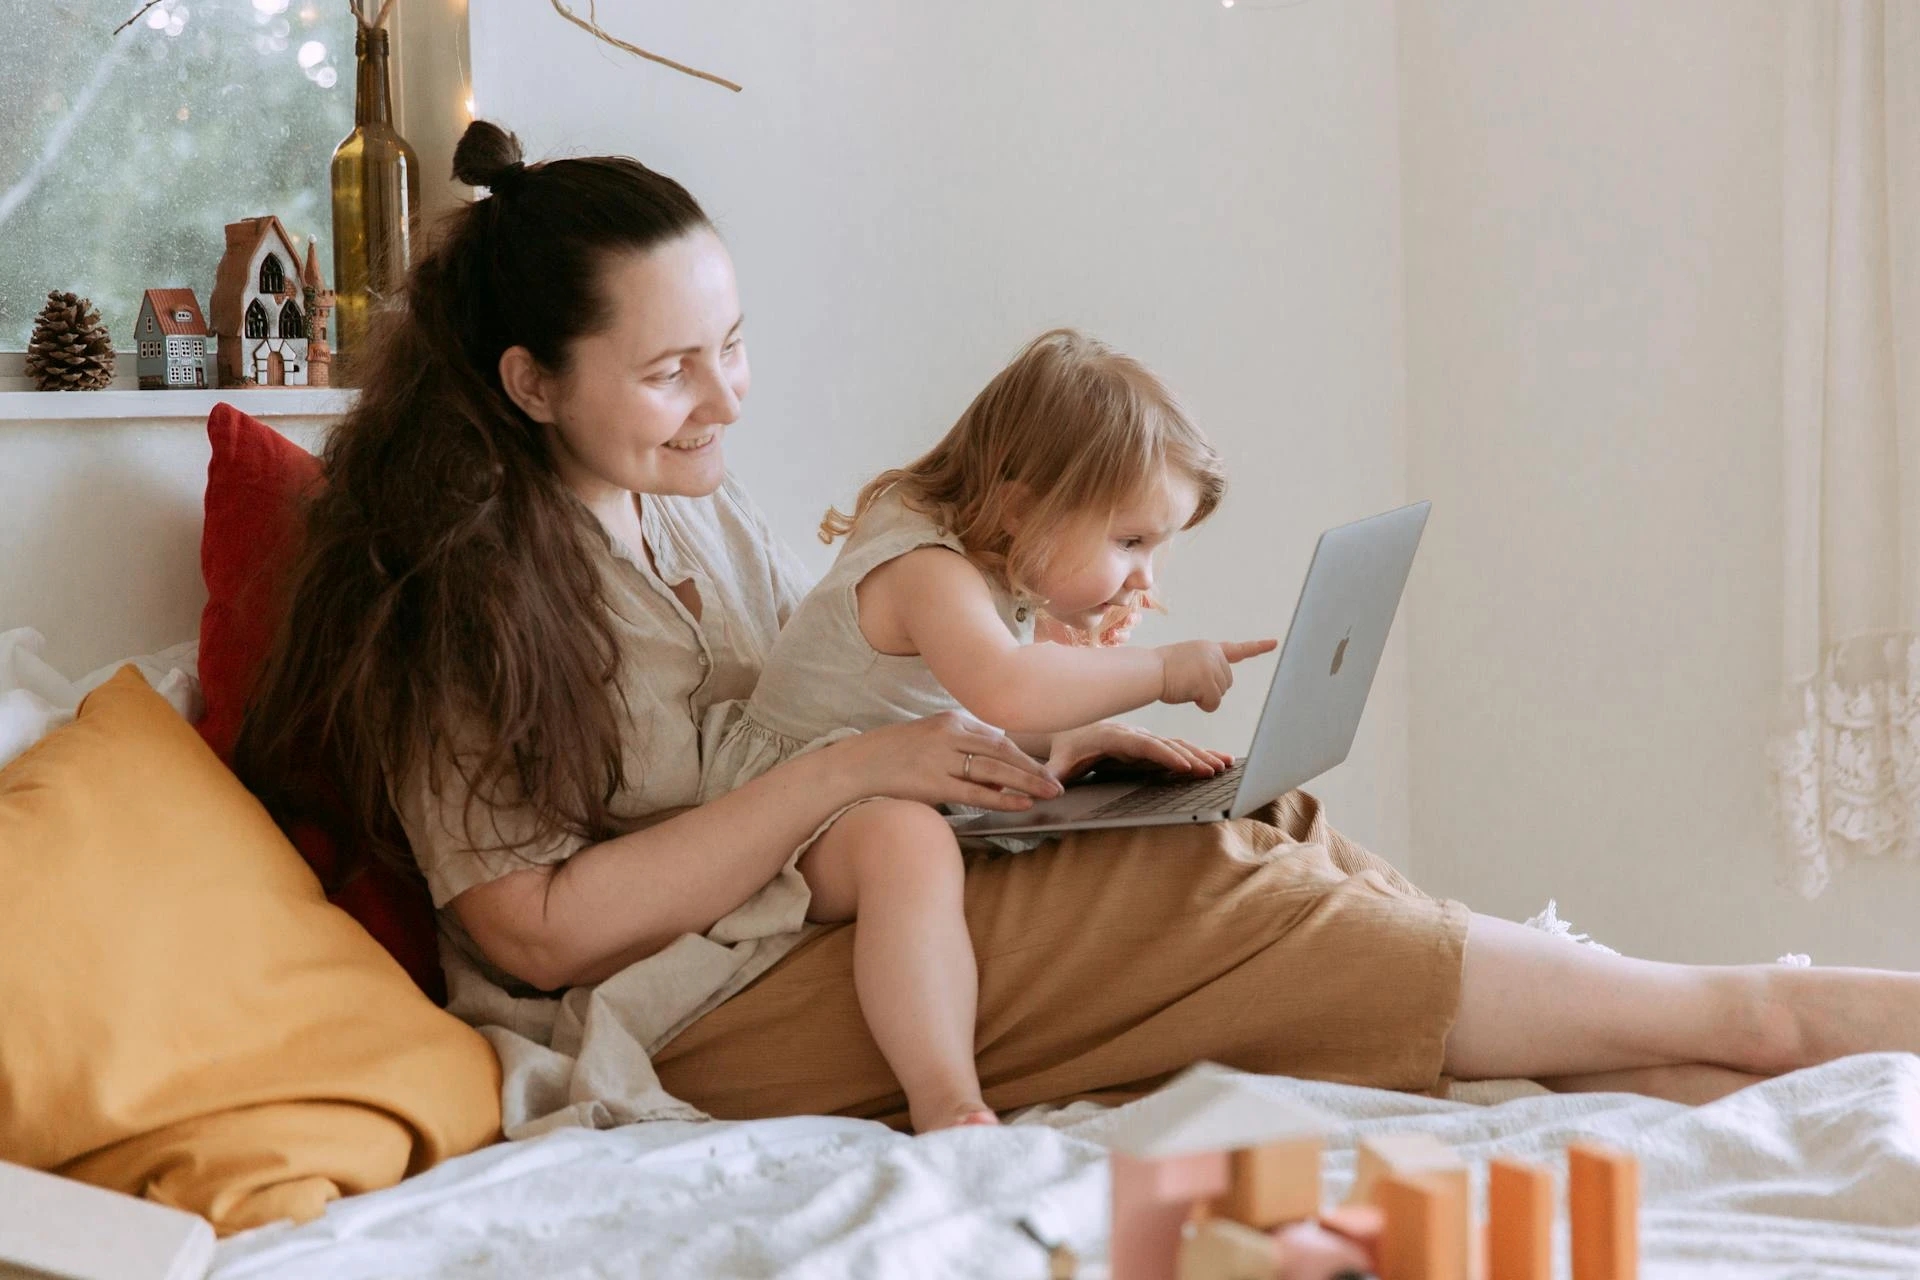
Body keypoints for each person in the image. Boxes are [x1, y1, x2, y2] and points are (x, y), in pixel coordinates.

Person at [238, 120, 1920, 1141]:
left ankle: (1646, 1045)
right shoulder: (458, 598)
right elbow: (533, 933)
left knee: (1246, 824)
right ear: (532, 384)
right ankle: (1749, 1011)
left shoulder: (693, 509)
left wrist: (1030, 745)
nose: (725, 395)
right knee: (1206, 894)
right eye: (671, 370)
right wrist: (865, 777)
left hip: (836, 898)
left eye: (732, 343)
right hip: (693, 1008)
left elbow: (817, 725)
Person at [695, 327, 1273, 1130]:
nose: (1144, 573)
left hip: (880, 776)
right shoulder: (926, 566)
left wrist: (1093, 729)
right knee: (908, 845)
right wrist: (1165, 671)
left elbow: (986, 699)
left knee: (1050, 813)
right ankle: (946, 1098)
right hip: (783, 816)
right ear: (1022, 505)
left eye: (1157, 547)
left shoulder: (993, 553)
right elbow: (1006, 688)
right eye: (1130, 541)